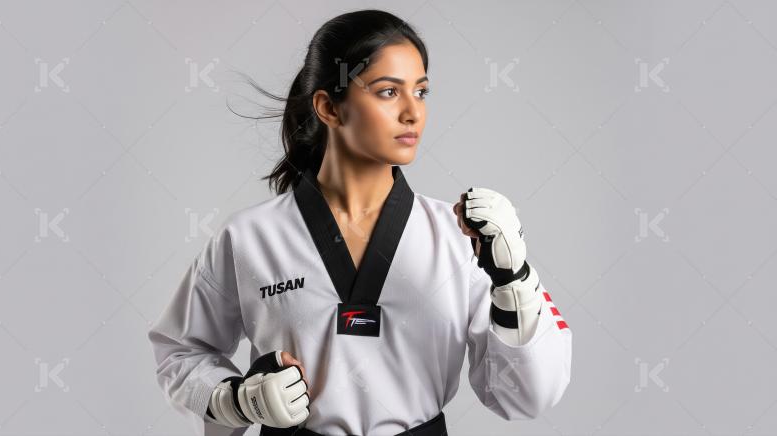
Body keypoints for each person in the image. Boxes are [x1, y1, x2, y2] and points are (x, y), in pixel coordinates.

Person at [147, 9, 572, 436]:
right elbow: (180, 352)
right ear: (329, 107)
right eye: (388, 92)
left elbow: (526, 397)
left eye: (421, 92)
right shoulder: (250, 238)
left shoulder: (461, 238)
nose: (413, 113)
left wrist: (513, 279)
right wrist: (234, 400)